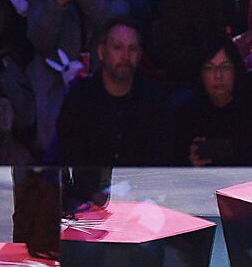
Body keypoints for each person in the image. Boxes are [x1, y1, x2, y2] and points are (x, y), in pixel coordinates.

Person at [25, 0, 136, 154]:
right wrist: (58, 3)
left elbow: (113, 26)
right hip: (54, 79)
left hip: (102, 77)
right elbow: (39, 41)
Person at [56, 21, 171, 166]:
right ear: (102, 53)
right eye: (118, 47)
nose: (126, 56)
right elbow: (71, 161)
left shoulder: (156, 101)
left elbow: (159, 162)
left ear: (140, 55)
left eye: (132, 49)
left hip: (142, 187)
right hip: (90, 187)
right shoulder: (79, 100)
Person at [171, 39, 252, 166]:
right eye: (209, 68)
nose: (217, 75)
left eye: (225, 67)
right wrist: (190, 163)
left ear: (235, 70)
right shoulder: (184, 118)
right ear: (200, 73)